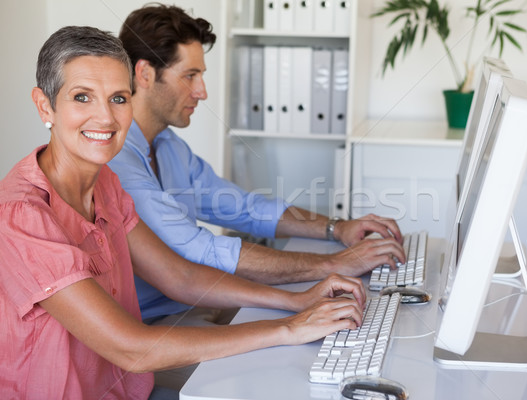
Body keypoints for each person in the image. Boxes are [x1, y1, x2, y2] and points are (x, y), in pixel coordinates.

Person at [0, 25, 367, 399]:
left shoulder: (106, 182)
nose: (106, 118)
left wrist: (295, 301)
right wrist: (289, 328)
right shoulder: (22, 215)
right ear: (45, 105)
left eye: (118, 99)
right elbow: (133, 347)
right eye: (82, 97)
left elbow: (179, 275)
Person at [109, 4, 406, 323]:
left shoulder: (169, 147)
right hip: (153, 324)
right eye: (190, 76)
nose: (202, 92)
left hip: (193, 305)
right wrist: (332, 263)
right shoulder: (116, 160)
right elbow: (197, 249)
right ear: (145, 74)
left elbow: (245, 208)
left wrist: (336, 228)